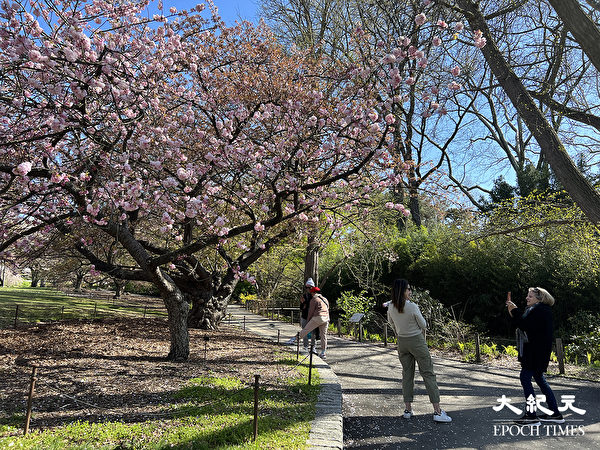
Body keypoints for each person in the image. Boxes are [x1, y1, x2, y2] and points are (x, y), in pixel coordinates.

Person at [386, 278, 452, 423]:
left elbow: (391, 323)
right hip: (416, 340)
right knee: (428, 374)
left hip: (402, 342)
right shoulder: (412, 306)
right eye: (408, 289)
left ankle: (408, 410)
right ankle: (437, 411)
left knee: (407, 375)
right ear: (402, 291)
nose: (410, 291)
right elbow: (424, 324)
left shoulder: (391, 306)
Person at [506, 288, 564, 425]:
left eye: (530, 296)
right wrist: (512, 310)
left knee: (525, 377)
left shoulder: (539, 310)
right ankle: (555, 413)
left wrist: (514, 310)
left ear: (540, 298)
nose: (527, 298)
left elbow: (525, 325)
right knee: (539, 379)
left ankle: (531, 415)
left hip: (535, 353)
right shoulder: (539, 310)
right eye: (527, 295)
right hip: (539, 352)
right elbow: (520, 323)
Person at [287, 282, 329, 359]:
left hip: (317, 317)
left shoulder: (314, 299)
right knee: (324, 336)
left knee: (306, 330)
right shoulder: (325, 299)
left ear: (314, 293)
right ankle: (323, 352)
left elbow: (310, 312)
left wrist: (309, 321)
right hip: (326, 318)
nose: (311, 294)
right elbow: (327, 308)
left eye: (311, 292)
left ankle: (293, 339)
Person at [300, 278, 317, 352]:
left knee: (314, 333)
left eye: (310, 287)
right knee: (304, 332)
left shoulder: (316, 296)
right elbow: (301, 307)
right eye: (307, 287)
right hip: (305, 316)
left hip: (313, 317)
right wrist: (303, 303)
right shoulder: (304, 296)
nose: (308, 289)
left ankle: (313, 347)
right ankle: (305, 346)